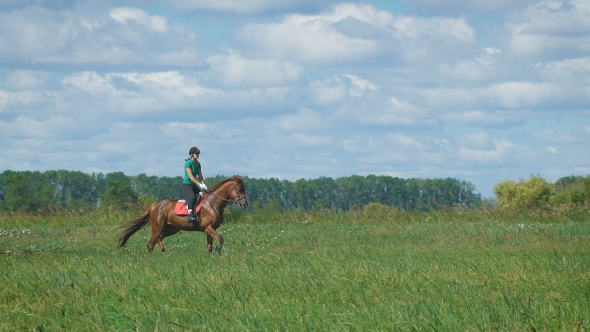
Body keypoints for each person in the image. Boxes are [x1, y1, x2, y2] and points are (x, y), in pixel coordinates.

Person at [182, 146, 208, 222]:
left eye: (198, 154)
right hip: (187, 185)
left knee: (202, 197)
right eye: (196, 154)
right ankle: (190, 215)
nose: (197, 155)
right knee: (192, 197)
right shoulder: (188, 163)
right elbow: (191, 176)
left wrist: (204, 184)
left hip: (194, 185)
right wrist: (199, 184)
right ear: (191, 154)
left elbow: (200, 176)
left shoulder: (198, 164)